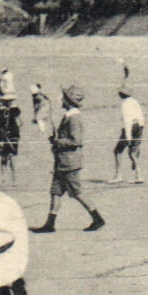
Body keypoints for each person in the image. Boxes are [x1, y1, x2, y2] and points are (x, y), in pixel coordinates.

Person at [33, 85, 104, 233]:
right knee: (55, 191)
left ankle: (97, 218)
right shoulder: (69, 116)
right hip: (63, 161)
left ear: (68, 101)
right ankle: (50, 224)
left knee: (77, 192)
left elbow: (76, 140)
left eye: (63, 98)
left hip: (69, 162)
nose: (61, 100)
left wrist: (57, 142)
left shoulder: (74, 118)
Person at [111, 88, 145, 184]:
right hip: (139, 126)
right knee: (133, 152)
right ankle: (138, 175)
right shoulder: (135, 101)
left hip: (131, 127)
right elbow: (141, 116)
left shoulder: (124, 104)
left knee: (118, 151)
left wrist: (128, 137)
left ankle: (118, 175)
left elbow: (127, 121)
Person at [0, 93, 21, 187]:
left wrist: (14, 128)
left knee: (11, 157)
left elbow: (20, 121)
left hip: (12, 135)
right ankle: (3, 179)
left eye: (10, 100)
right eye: (7, 101)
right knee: (3, 157)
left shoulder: (15, 110)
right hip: (2, 134)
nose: (9, 102)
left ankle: (14, 180)